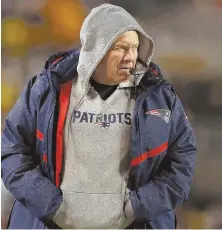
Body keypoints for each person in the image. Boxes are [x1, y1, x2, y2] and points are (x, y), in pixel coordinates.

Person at [1, 3, 197, 229]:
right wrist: (50, 205)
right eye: (121, 48)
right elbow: (12, 150)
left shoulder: (159, 97)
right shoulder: (46, 90)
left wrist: (139, 206)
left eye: (134, 48)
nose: (131, 57)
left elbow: (183, 158)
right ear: (95, 48)